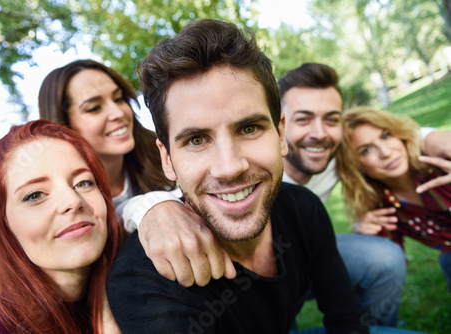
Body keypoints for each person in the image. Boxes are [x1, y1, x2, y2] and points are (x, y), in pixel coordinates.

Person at [105, 18, 413, 333]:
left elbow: (347, 320)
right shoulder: (147, 284)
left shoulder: (302, 208)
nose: (230, 167)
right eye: (196, 139)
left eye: (249, 128)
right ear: (167, 159)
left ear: (281, 135)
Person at [277, 62, 451, 327]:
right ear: (279, 124)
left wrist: (432, 137)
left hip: (306, 257)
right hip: (250, 277)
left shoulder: (330, 155)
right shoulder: (258, 164)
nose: (320, 133)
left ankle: (376, 328)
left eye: (331, 119)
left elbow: (388, 136)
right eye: (303, 119)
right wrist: (186, 214)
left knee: (384, 257)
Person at [38, 59, 236, 287]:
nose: (117, 113)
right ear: (64, 125)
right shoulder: (65, 197)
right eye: (94, 107)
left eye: (118, 98)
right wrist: (145, 207)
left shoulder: (163, 149)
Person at [0, 119, 122, 333]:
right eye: (35, 195)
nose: (72, 200)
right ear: (4, 225)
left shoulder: (134, 289)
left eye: (83, 183)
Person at [336, 106, 451, 292]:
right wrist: (363, 237)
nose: (386, 152)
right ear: (355, 166)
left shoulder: (438, 162)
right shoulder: (382, 208)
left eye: (386, 136)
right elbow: (387, 265)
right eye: (366, 150)